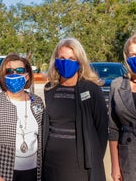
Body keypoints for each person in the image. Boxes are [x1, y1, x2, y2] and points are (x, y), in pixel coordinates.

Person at [42, 37, 108, 181]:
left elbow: (102, 130)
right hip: (51, 162)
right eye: (62, 58)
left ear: (80, 62)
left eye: (72, 58)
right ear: (56, 61)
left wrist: (94, 158)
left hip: (80, 165)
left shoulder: (92, 90)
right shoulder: (49, 89)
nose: (66, 62)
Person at [0, 53, 44, 181]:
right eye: (9, 71)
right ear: (3, 77)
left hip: (33, 172)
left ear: (26, 76)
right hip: (5, 173)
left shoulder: (37, 102)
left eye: (19, 70)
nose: (15, 74)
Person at [108, 33, 136, 181]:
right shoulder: (117, 85)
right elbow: (113, 129)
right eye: (132, 55)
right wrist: (115, 166)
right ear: (126, 57)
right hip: (129, 157)